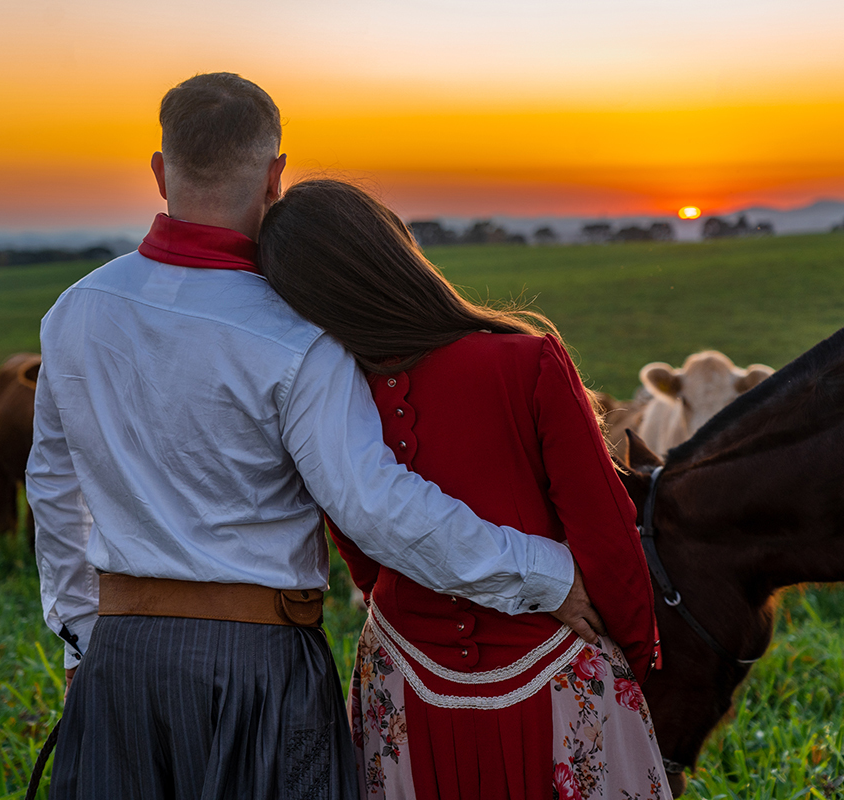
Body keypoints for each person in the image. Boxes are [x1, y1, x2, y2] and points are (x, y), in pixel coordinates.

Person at [28, 73, 603, 800]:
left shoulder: (75, 311)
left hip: (118, 656)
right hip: (257, 662)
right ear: (275, 178)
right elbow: (374, 507)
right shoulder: (296, 333)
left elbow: (54, 487)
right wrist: (542, 574)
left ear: (159, 170)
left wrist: (83, 636)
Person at [258, 180, 669, 800]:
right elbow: (607, 535)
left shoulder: (329, 392)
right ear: (398, 250)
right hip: (558, 671)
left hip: (402, 678)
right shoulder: (527, 362)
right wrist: (634, 660)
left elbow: (361, 546)